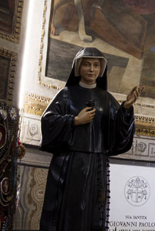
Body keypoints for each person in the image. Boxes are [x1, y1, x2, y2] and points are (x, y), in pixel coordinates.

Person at [39, 47, 142, 231]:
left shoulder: (107, 98)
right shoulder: (65, 94)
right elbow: (48, 121)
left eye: (96, 65)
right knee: (68, 209)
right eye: (87, 64)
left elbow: (117, 131)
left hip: (96, 163)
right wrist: (75, 121)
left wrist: (126, 107)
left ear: (101, 69)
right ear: (78, 67)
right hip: (69, 162)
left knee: (93, 211)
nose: (92, 69)